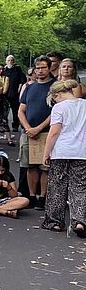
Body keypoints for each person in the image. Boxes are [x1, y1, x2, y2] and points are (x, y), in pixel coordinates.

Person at [41, 80, 86, 236]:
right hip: (82, 151)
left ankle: (54, 221)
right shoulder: (84, 105)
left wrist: (46, 152)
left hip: (62, 150)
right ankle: (80, 220)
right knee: (80, 186)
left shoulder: (59, 107)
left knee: (57, 186)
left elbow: (54, 132)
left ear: (57, 94)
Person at [18, 55, 54, 209]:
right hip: (29, 132)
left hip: (47, 131)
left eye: (43, 68)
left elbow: (57, 112)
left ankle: (42, 197)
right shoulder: (29, 87)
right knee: (30, 165)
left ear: (49, 68)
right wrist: (28, 128)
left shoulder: (55, 87)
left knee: (45, 167)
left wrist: (39, 128)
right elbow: (21, 110)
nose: (39, 71)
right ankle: (31, 196)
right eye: (37, 68)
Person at [1, 55, 27, 145]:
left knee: (15, 110)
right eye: (8, 60)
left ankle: (15, 125)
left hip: (14, 92)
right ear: (6, 61)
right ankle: (4, 126)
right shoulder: (4, 70)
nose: (10, 61)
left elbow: (22, 80)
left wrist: (19, 90)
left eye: (12, 60)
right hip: (5, 93)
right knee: (4, 111)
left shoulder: (17, 69)